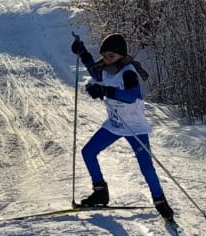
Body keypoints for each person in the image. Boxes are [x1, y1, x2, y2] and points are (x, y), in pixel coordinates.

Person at [71, 33, 174, 221]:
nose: (107, 59)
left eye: (111, 56)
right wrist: (83, 52)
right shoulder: (106, 68)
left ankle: (160, 202)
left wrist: (105, 90)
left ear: (121, 55)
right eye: (104, 56)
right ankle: (100, 192)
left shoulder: (128, 71)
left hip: (135, 127)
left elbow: (131, 95)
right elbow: (93, 71)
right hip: (115, 124)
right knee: (88, 152)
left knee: (146, 167)